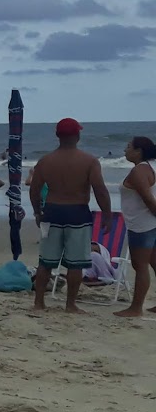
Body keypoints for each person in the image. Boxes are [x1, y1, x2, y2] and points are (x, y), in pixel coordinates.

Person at [30, 118, 112, 314]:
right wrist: (107, 215)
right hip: (77, 213)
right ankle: (70, 304)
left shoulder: (46, 161)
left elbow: (34, 190)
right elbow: (100, 190)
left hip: (52, 212)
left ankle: (39, 302)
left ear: (58, 136)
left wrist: (37, 211)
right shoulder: (89, 161)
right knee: (76, 263)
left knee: (46, 261)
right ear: (78, 136)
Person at [114, 135, 156, 318]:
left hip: (142, 224)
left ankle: (136, 308)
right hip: (148, 222)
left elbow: (148, 198)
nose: (125, 150)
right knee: (153, 263)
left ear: (138, 151)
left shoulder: (139, 171)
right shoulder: (152, 166)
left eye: (129, 146)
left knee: (140, 265)